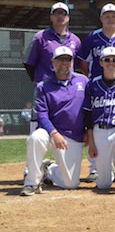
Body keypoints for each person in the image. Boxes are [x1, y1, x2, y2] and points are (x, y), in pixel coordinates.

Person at [78, 3, 115, 182]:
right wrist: (93, 78)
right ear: (101, 18)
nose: (110, 18)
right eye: (107, 15)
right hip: (97, 86)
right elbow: (83, 63)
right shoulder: (92, 37)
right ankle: (94, 168)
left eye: (114, 15)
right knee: (96, 122)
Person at [20, 46, 88, 196]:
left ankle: (49, 169)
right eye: (60, 59)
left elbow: (89, 109)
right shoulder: (43, 85)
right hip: (51, 133)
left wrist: (88, 131)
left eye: (67, 59)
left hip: (73, 135)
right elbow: (42, 114)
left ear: (72, 62)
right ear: (53, 62)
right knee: (36, 138)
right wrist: (54, 133)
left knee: (71, 184)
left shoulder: (83, 81)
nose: (64, 63)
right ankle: (31, 182)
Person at [83, 47, 115, 195]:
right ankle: (110, 171)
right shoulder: (92, 84)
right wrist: (91, 143)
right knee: (103, 185)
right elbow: (88, 115)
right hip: (99, 131)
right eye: (107, 60)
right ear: (101, 62)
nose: (111, 63)